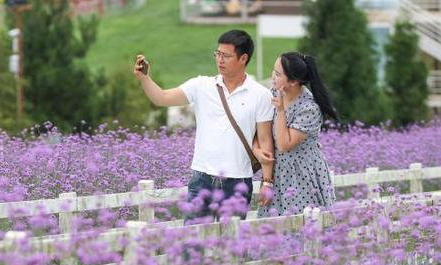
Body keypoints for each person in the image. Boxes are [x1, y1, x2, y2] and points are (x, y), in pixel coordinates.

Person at [133, 30, 275, 224]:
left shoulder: (261, 95)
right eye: (217, 54)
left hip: (238, 183)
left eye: (226, 55)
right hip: (202, 179)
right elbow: (162, 98)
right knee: (192, 246)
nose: (220, 60)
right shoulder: (201, 86)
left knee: (230, 247)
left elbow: (265, 141)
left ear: (243, 58)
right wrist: (145, 79)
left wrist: (267, 182)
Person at [255, 52, 338, 217]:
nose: (273, 77)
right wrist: (257, 150)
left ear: (293, 82)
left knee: (303, 228)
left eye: (278, 74)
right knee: (273, 231)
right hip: (277, 173)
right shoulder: (272, 94)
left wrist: (280, 110)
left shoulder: (309, 108)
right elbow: (259, 132)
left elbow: (285, 144)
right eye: (274, 71)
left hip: (302, 174)